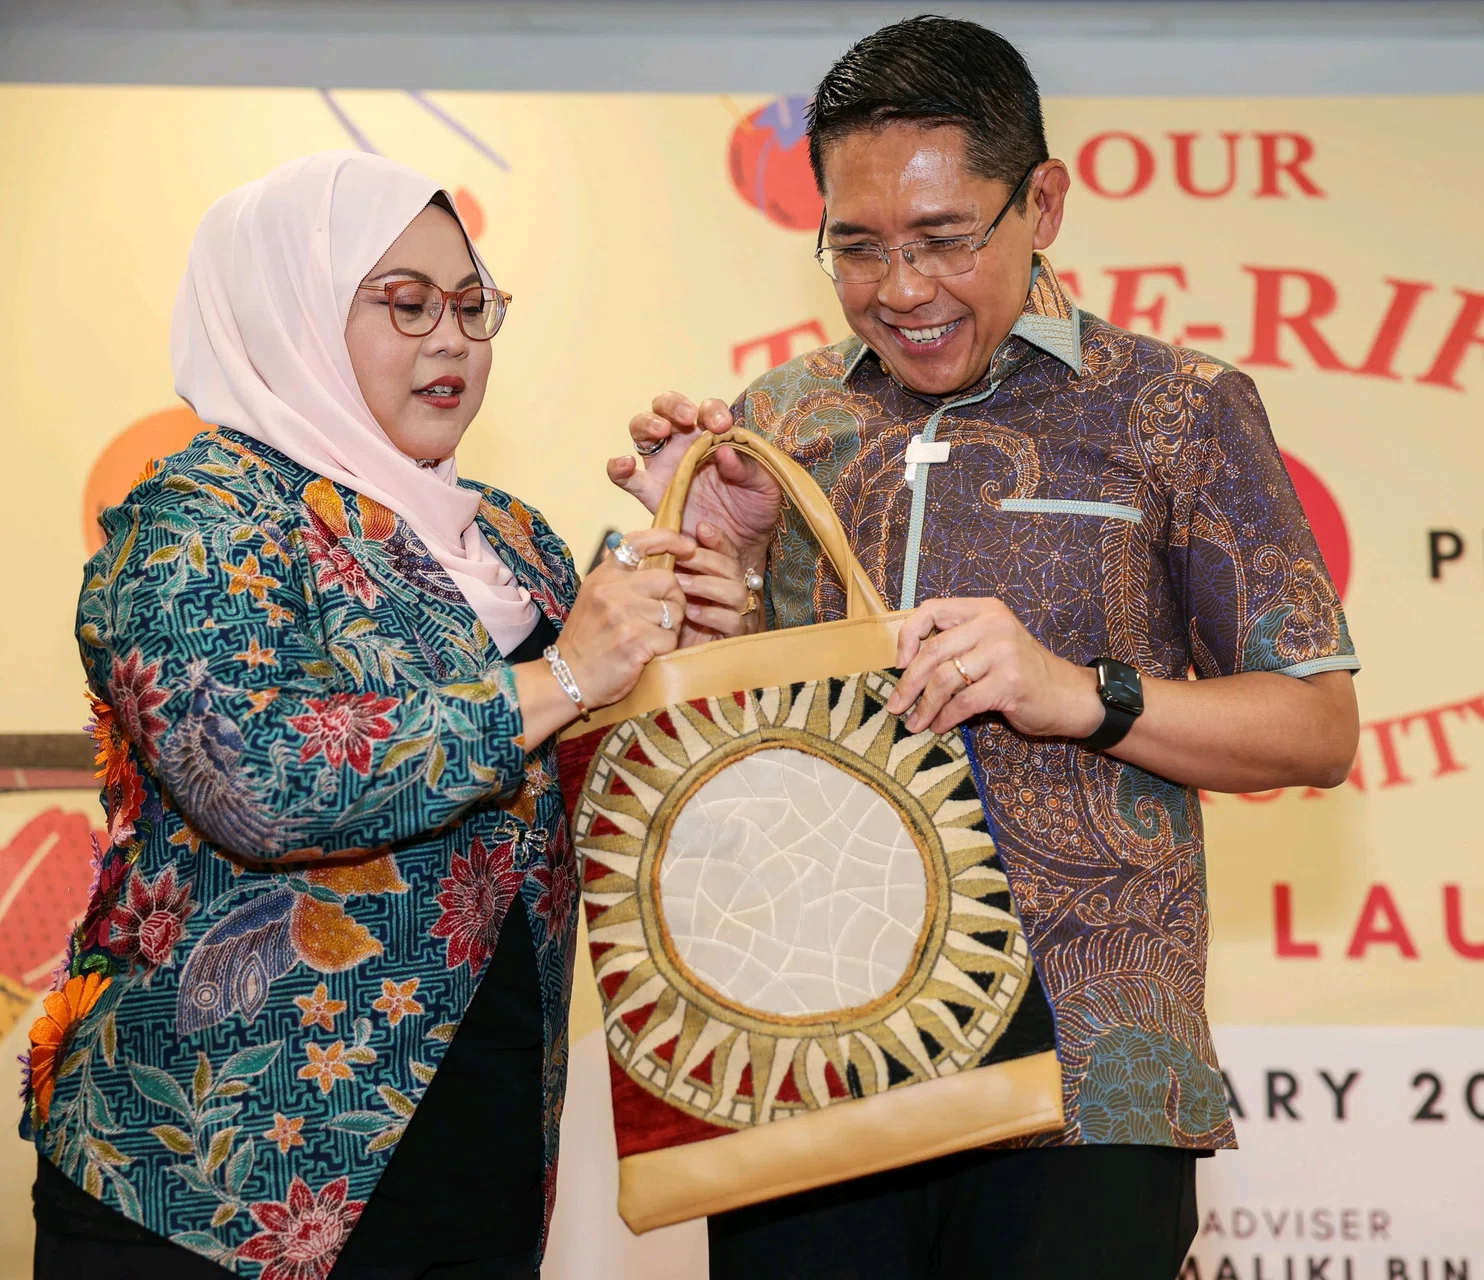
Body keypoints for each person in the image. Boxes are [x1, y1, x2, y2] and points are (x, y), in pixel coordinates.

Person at [613, 16, 1362, 1280]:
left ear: (1044, 204)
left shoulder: (1177, 406)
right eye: (857, 247)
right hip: (812, 1062)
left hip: (1088, 1070)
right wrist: (716, 571)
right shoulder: (780, 421)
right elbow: (711, 743)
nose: (902, 288)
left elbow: (1315, 725)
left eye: (946, 239)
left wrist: (1081, 694)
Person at [25, 151, 752, 1279]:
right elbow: (255, 781)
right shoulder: (197, 518)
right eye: (406, 304)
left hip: (477, 1141)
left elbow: (608, 798)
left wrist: (706, 577)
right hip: (218, 1171)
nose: (452, 338)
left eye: (472, 304)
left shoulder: (511, 540)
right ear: (292, 312)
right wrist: (565, 673)